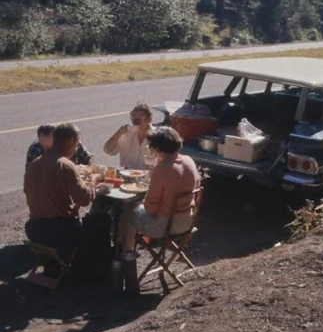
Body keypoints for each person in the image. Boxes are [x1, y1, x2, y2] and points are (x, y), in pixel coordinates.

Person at [23, 124, 107, 261]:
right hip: (59, 232)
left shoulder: (34, 164)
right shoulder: (66, 166)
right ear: (70, 140)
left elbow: (30, 192)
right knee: (102, 220)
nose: (77, 147)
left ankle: (62, 262)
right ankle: (99, 267)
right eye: (77, 143)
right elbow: (84, 199)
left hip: (34, 230)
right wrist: (94, 181)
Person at [118, 127, 200, 258]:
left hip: (165, 226)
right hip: (187, 221)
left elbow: (150, 208)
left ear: (156, 147)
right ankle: (128, 251)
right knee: (137, 207)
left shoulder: (162, 168)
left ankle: (126, 253)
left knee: (128, 210)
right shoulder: (188, 160)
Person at [104, 102, 153, 170]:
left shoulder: (157, 136)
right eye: (134, 120)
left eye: (141, 119)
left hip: (149, 175)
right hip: (128, 173)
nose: (137, 122)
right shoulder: (126, 134)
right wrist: (118, 133)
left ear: (149, 119)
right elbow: (108, 150)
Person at [26, 124, 93, 168]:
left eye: (52, 145)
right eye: (45, 147)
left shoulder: (72, 145)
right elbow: (30, 174)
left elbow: (88, 160)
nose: (49, 150)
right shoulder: (35, 149)